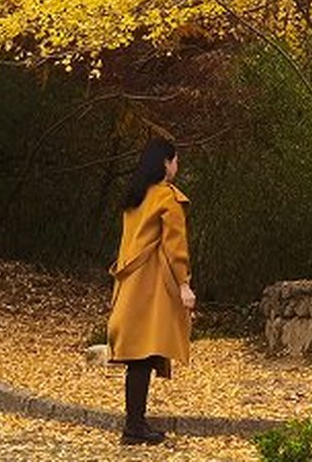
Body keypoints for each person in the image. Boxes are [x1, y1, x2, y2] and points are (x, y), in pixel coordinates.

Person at [108, 138, 195, 446]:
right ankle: (134, 427)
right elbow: (175, 247)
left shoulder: (134, 198)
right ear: (165, 163)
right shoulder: (167, 198)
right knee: (144, 354)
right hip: (152, 286)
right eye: (176, 160)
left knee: (137, 357)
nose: (177, 166)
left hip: (129, 284)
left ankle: (134, 424)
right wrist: (184, 284)